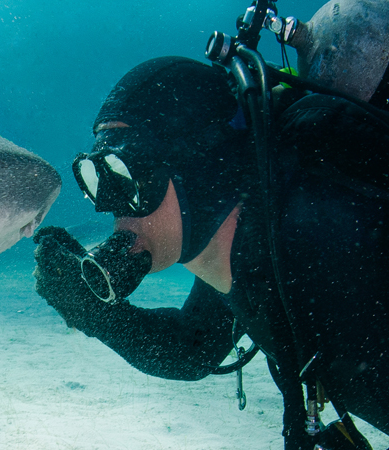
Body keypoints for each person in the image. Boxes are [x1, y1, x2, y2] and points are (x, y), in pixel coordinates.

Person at [33, 53, 389, 450]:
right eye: (98, 179)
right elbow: (193, 347)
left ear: (199, 170)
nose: (111, 205)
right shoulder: (247, 243)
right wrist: (94, 313)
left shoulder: (327, 244)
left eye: (127, 173)